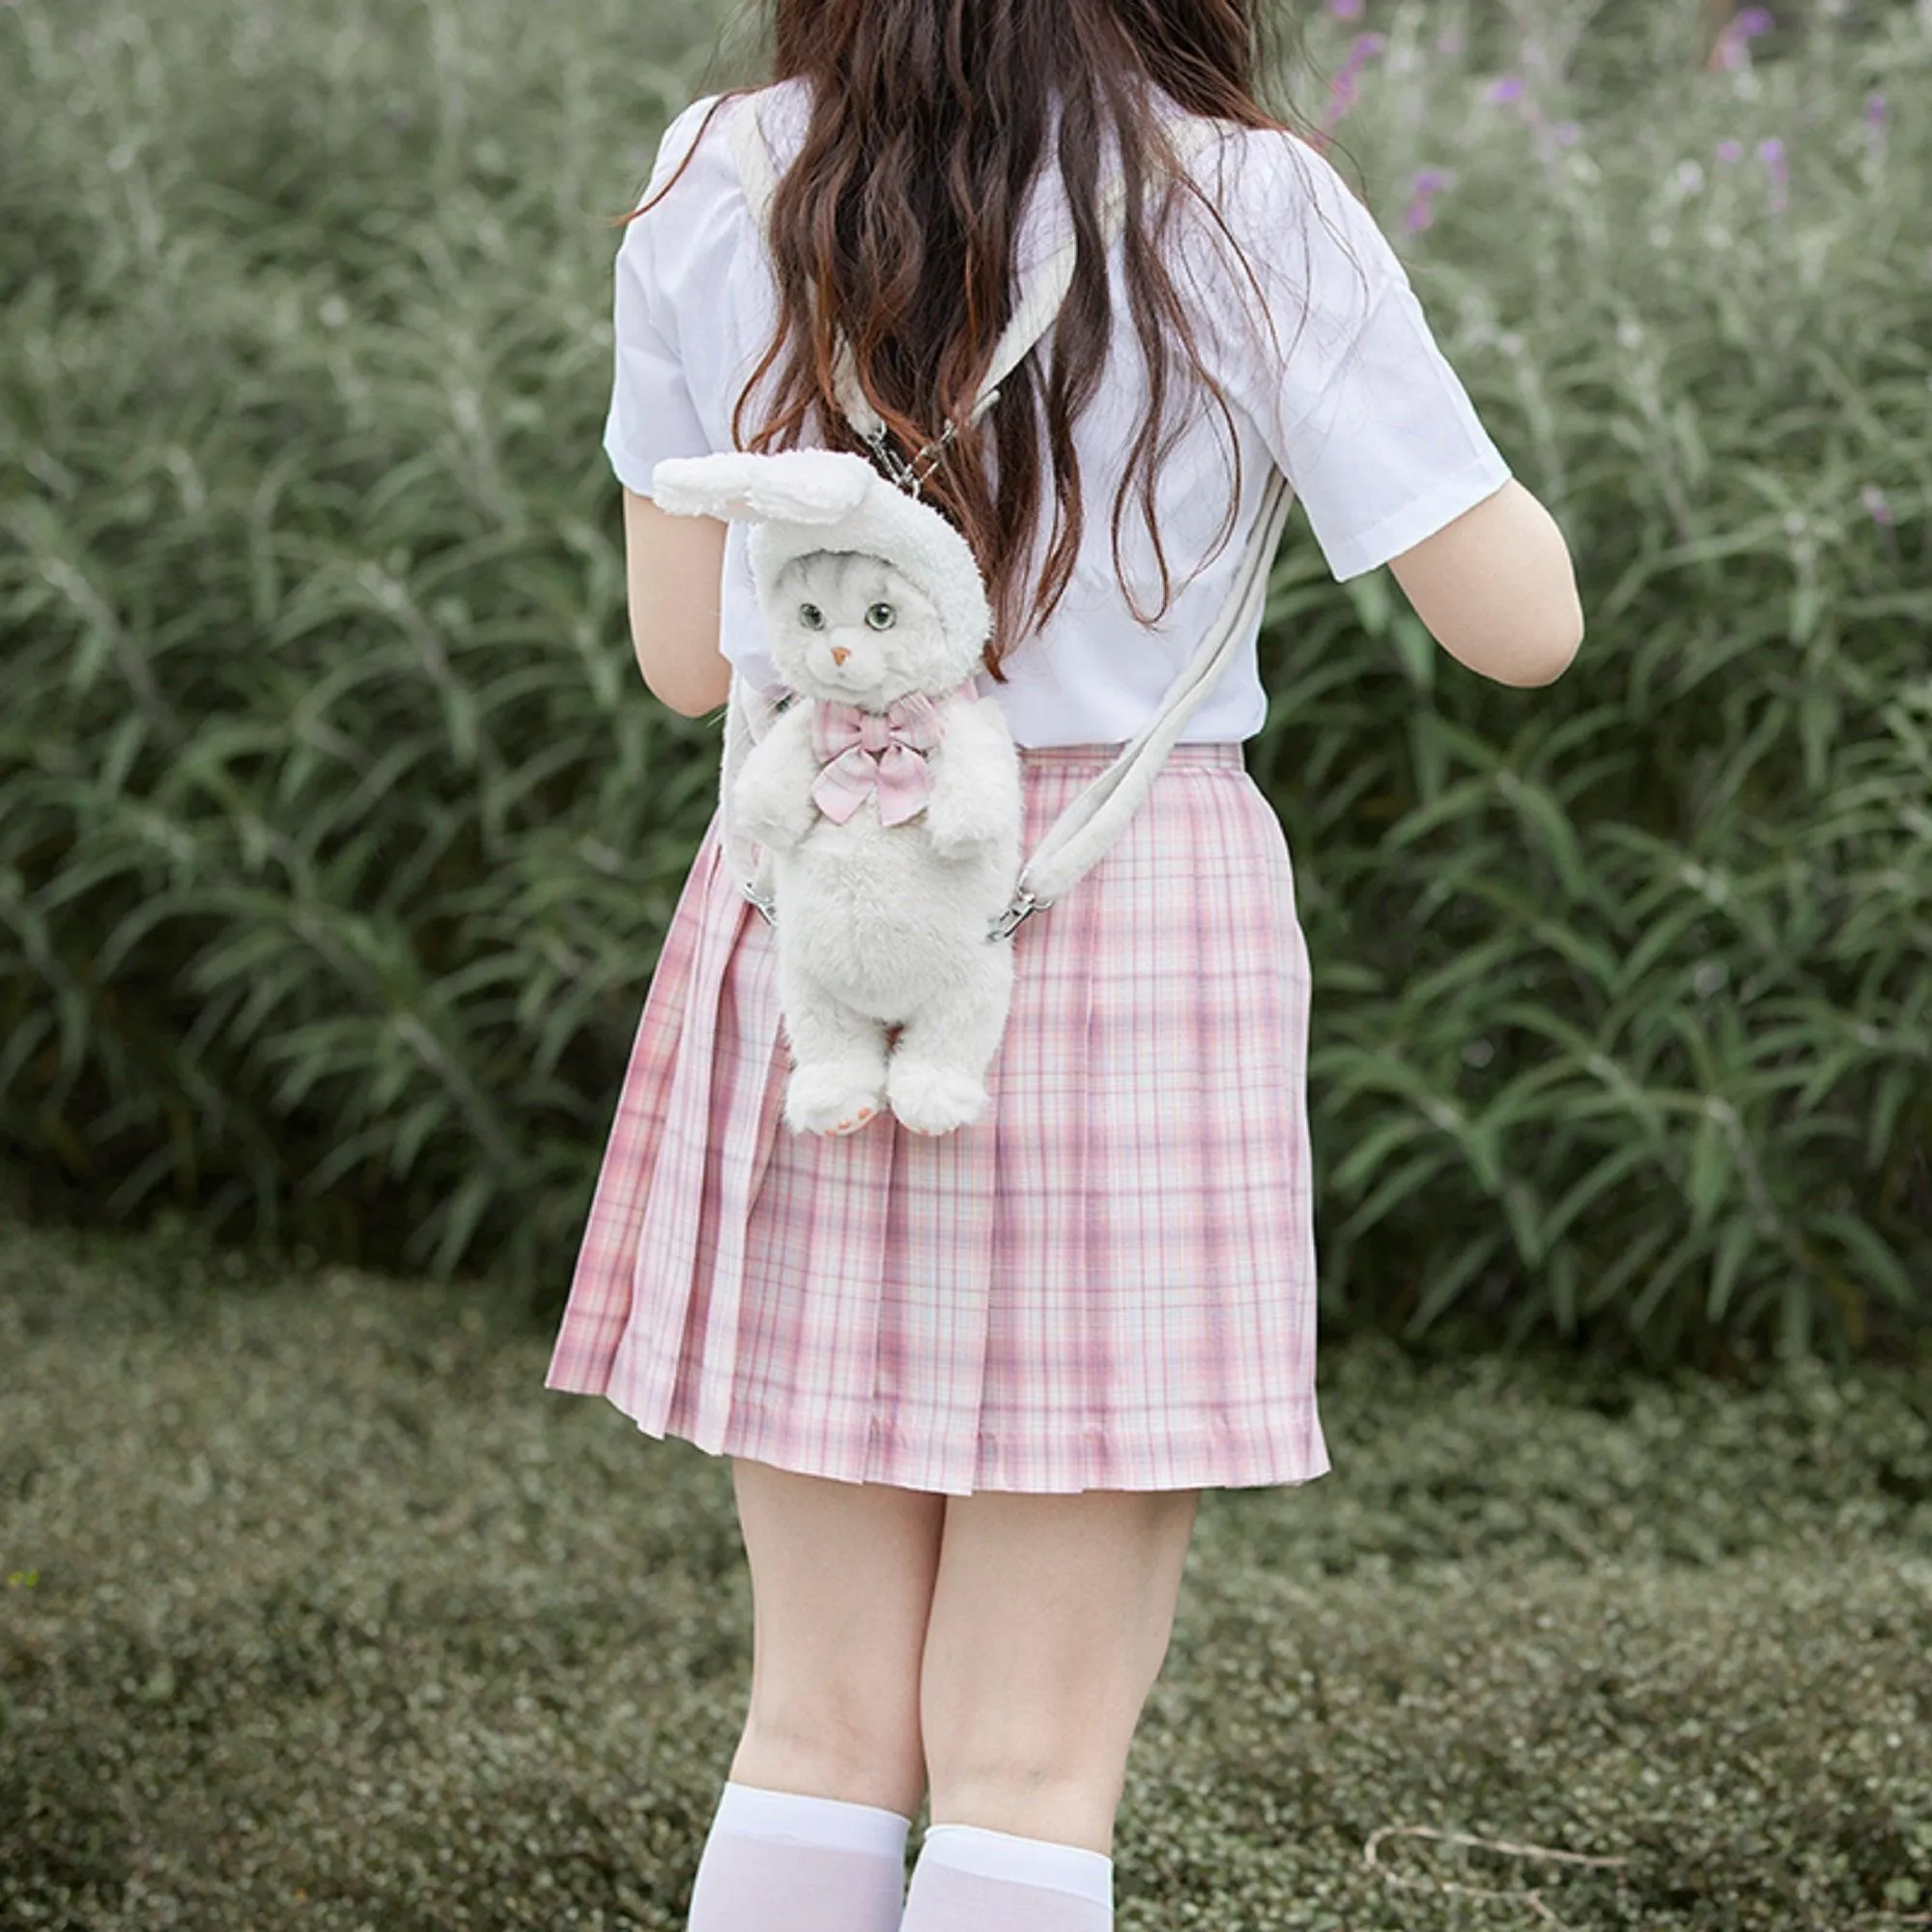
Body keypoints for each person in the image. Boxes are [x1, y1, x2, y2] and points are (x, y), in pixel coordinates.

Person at [545, 4, 1585, 1927]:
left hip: (817, 928)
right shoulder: (1242, 202)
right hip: (1125, 927)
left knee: (816, 1721)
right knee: (1027, 1759)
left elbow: (689, 661)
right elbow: (1520, 623)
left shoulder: (712, 173)